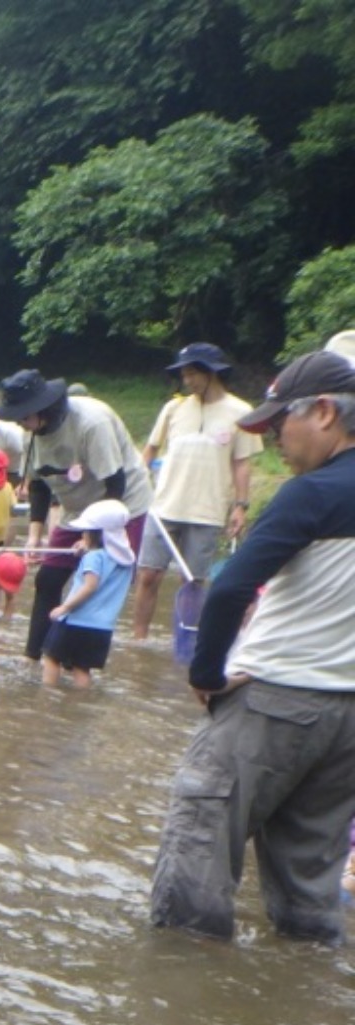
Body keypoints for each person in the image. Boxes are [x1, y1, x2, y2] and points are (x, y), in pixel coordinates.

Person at [150, 349, 355, 945]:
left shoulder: (311, 493)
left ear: (322, 412)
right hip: (348, 721)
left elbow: (230, 588)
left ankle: (178, 1000)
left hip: (274, 695)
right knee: (310, 882)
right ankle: (299, 998)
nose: (274, 443)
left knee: (199, 845)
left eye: (276, 426)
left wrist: (207, 673)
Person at [0, 369, 154, 664]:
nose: (20, 423)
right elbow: (38, 486)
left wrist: (90, 536)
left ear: (44, 410)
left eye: (24, 416)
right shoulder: (32, 434)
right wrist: (34, 536)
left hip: (120, 505)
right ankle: (33, 656)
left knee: (97, 580)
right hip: (77, 508)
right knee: (48, 579)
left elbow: (115, 484)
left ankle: (77, 662)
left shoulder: (91, 424)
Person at [131, 343, 262, 639]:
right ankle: (139, 640)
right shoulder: (173, 408)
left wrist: (241, 506)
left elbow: (241, 464)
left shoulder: (241, 412)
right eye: (184, 374)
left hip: (208, 511)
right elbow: (150, 451)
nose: (187, 380)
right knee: (148, 575)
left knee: (192, 581)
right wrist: (138, 487)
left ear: (211, 373)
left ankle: (186, 639)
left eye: (192, 373)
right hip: (163, 506)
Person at [41, 500, 135, 687]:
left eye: (86, 531)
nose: (83, 534)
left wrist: (64, 608)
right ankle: (80, 702)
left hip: (76, 620)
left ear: (96, 534)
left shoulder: (94, 557)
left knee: (51, 658)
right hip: (102, 627)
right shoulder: (127, 560)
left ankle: (46, 696)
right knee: (82, 668)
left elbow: (90, 586)